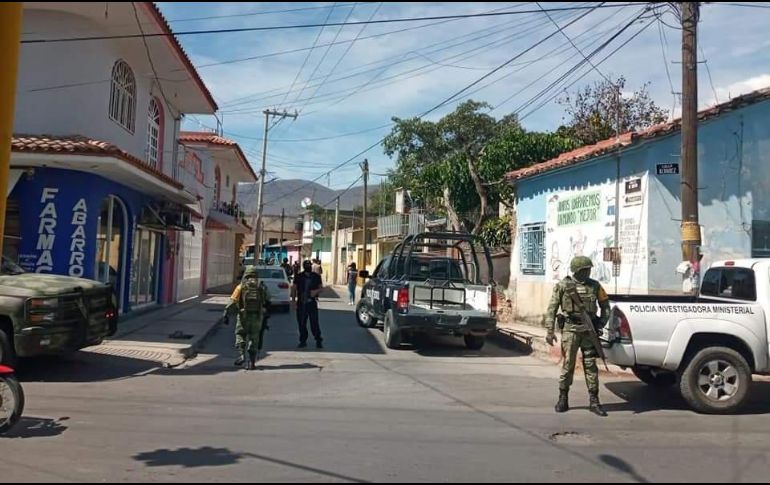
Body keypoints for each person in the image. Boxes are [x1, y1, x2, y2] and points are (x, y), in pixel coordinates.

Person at [545, 256, 610, 417]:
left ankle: (594, 401)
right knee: (568, 365)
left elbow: (606, 307)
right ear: (578, 270)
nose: (588, 272)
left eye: (589, 269)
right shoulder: (563, 286)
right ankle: (563, 398)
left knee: (591, 366)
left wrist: (600, 324)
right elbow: (551, 309)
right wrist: (549, 331)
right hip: (570, 330)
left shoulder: (595, 286)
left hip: (589, 332)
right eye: (585, 270)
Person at [224, 266, 271, 370]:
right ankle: (252, 363)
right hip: (257, 318)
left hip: (243, 316)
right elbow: (268, 300)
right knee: (254, 339)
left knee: (240, 335)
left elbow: (232, 301)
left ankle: (241, 355)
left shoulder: (241, 287)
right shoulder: (261, 287)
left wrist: (226, 314)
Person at [292, 260, 324, 349]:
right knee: (301, 323)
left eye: (309, 265)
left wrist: (315, 292)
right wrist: (293, 301)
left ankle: (318, 340)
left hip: (311, 303)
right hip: (301, 303)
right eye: (306, 265)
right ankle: (303, 341)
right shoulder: (299, 276)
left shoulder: (316, 276)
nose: (308, 266)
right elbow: (294, 288)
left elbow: (321, 288)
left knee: (314, 323)